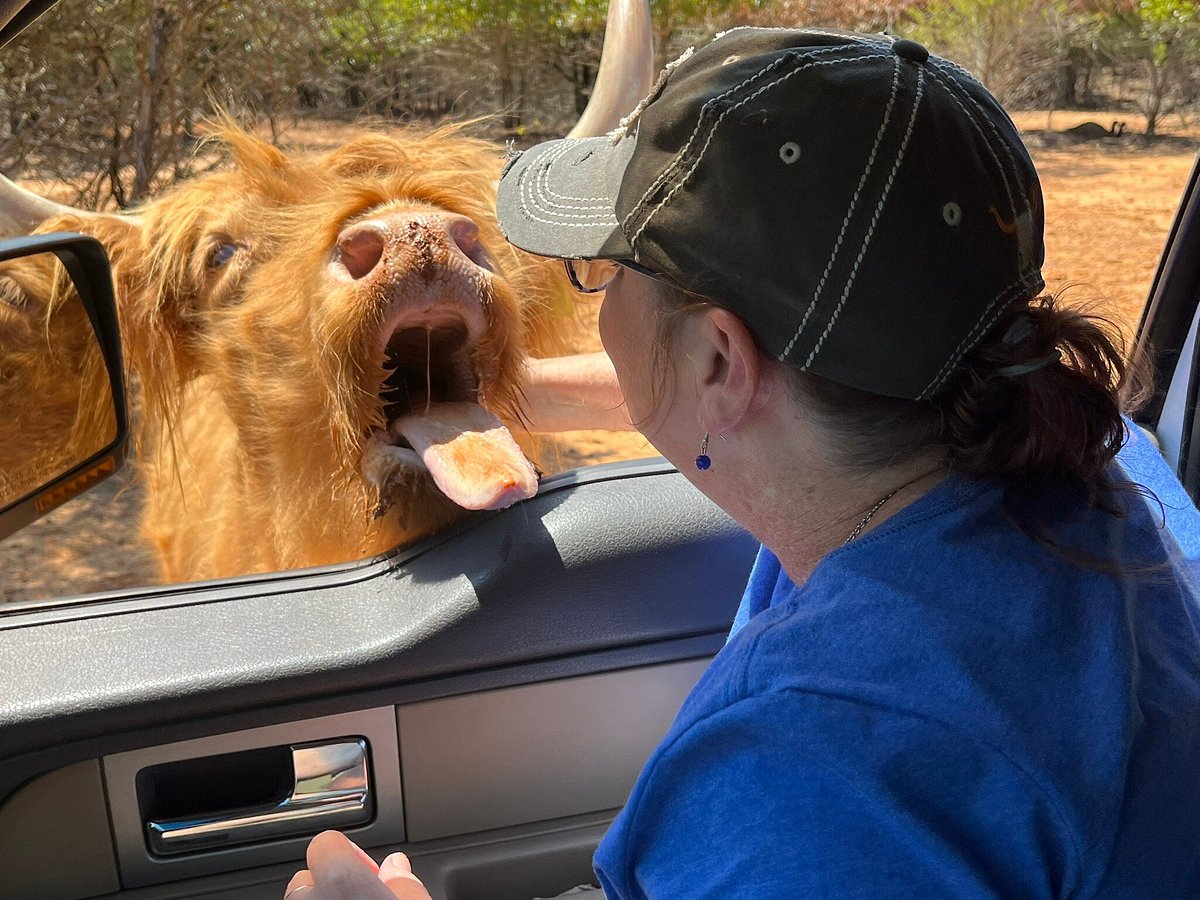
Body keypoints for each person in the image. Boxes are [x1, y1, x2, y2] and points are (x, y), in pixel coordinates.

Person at [285, 27, 1200, 898]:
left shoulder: (817, 761)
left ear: (723, 363)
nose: (599, 299)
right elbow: (710, 376)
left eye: (606, 269)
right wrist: (463, 394)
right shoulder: (1100, 479)